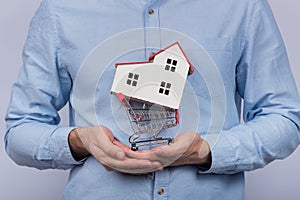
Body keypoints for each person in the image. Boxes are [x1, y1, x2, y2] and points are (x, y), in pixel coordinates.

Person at [5, 0, 300, 199]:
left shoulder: (241, 6)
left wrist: (208, 151)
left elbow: (285, 118)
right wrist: (81, 141)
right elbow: (19, 130)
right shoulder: (60, 10)